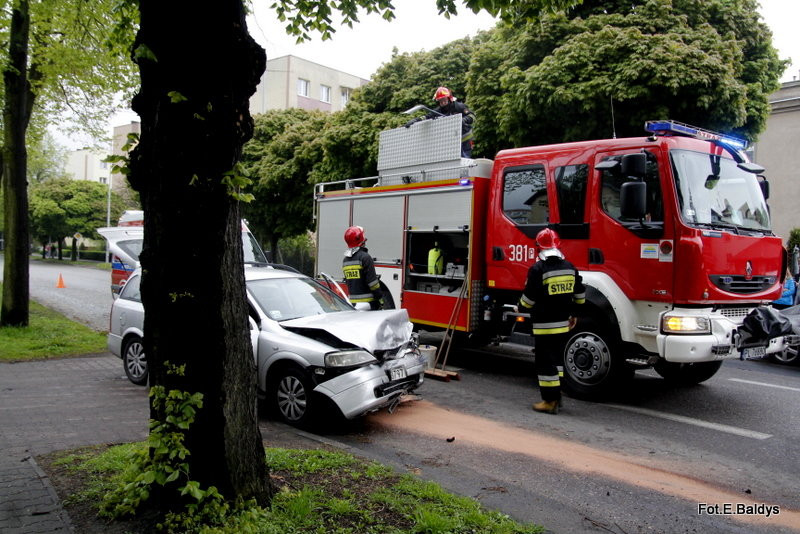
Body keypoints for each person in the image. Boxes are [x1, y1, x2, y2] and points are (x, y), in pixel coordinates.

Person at [518, 228, 585, 414]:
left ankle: (549, 401)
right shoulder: (570, 267)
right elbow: (580, 295)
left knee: (545, 363)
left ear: (538, 247)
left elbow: (528, 300)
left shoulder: (538, 269)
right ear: (558, 245)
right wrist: (574, 313)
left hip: (544, 326)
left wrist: (520, 307)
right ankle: (557, 396)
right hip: (563, 325)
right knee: (557, 362)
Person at [404, 86, 475, 158]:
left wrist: (464, 120)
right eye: (440, 101)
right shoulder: (438, 111)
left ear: (449, 98)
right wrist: (415, 120)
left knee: (465, 159)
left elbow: (472, 116)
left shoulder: (458, 106)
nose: (443, 102)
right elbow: (427, 116)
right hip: (453, 139)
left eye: (444, 99)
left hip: (466, 138)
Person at [342, 226, 384, 310]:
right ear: (360, 240)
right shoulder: (365, 257)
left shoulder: (345, 260)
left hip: (353, 305)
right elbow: (373, 284)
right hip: (368, 304)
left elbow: (349, 282)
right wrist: (380, 298)